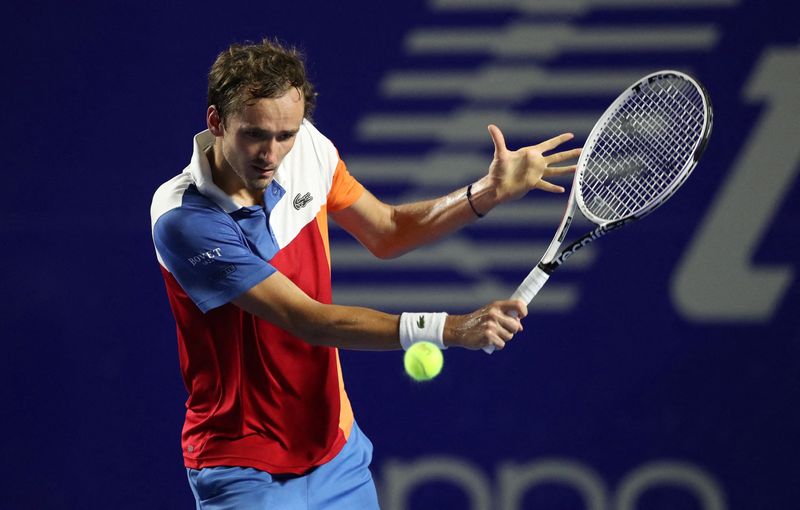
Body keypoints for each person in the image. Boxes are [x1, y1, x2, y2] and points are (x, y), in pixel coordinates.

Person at [150, 38, 580, 509]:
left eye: (286, 135)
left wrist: (486, 191)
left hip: (337, 453)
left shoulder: (309, 150)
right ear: (216, 122)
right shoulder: (185, 218)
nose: (271, 155)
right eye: (255, 134)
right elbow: (307, 320)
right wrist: (449, 328)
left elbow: (389, 230)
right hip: (243, 469)